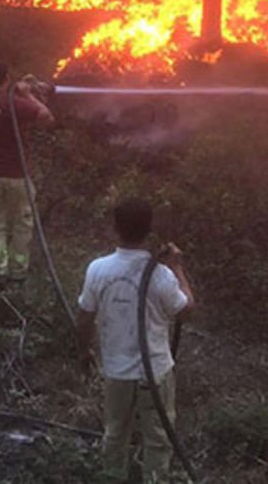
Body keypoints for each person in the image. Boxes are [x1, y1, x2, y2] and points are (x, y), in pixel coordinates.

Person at [76, 198, 196, 482]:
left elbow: (84, 318)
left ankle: (112, 477)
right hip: (155, 372)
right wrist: (178, 267)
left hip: (117, 371)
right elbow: (187, 310)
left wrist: (84, 352)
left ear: (115, 228)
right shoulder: (162, 275)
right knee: (158, 439)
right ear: (149, 230)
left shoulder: (98, 269)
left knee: (115, 434)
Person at [0, 61, 54, 279]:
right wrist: (27, 95)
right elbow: (46, 117)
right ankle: (18, 273)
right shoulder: (13, 104)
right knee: (22, 224)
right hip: (17, 175)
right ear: (7, 77)